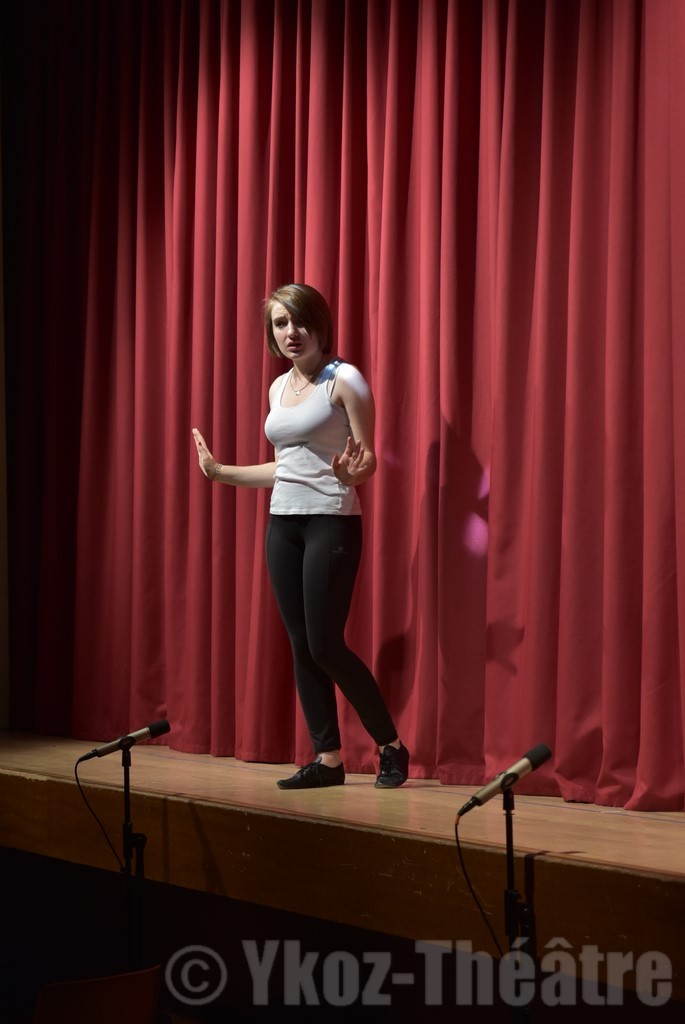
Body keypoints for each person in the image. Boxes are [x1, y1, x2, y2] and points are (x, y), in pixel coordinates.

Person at [192, 283, 409, 790]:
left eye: (299, 321)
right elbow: (282, 469)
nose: (291, 333)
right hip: (283, 523)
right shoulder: (277, 388)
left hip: (330, 520)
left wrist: (355, 473)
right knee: (300, 643)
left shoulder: (344, 379)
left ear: (319, 324)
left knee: (326, 643)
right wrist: (220, 471)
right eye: (280, 324)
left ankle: (391, 747)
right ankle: (328, 758)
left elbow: (367, 457)